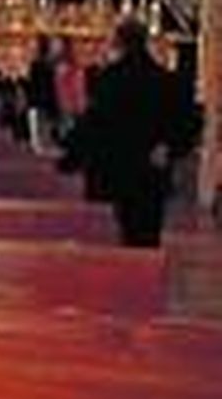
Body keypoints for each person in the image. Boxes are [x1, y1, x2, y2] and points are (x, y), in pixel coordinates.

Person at [78, 15, 198, 247]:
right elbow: (187, 124)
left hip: (114, 172)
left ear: (119, 43)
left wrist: (72, 158)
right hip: (150, 173)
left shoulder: (108, 79)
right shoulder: (166, 81)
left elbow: (94, 125)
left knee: (113, 240)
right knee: (147, 236)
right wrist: (170, 148)